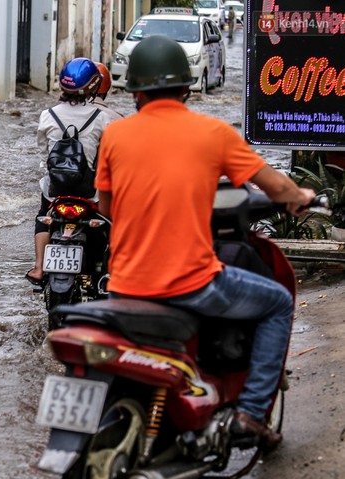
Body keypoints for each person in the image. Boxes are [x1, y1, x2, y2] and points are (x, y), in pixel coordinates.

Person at [94, 35, 316, 451]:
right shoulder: (212, 132)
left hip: (122, 285)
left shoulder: (115, 135)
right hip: (190, 284)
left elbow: (108, 206)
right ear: (186, 85)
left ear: (135, 90)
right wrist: (300, 198)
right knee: (278, 303)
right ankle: (250, 412)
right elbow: (274, 185)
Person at [25, 58, 119, 286]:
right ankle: (111, 271)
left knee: (43, 216)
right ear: (93, 86)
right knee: (112, 220)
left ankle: (39, 267)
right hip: (90, 192)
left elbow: (43, 152)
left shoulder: (47, 115)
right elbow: (108, 155)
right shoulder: (102, 118)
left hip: (55, 190)